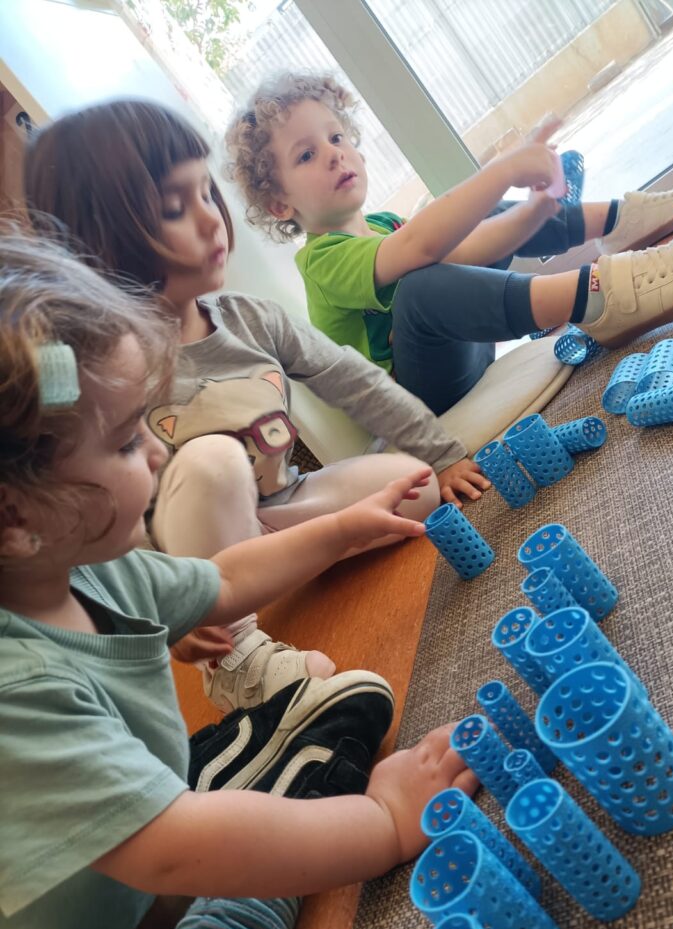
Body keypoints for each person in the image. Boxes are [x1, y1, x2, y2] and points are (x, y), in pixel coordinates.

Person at [0, 227, 477, 929]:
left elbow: (221, 581)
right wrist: (383, 821)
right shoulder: (16, 689)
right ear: (15, 519)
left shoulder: (82, 567)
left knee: (207, 845)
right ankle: (262, 805)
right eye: (125, 442)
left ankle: (235, 795)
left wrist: (340, 528)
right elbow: (173, 851)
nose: (157, 455)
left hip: (123, 880)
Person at [23, 98, 490, 715]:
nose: (211, 221)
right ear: (98, 245)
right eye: (174, 208)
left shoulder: (250, 318)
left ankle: (288, 567)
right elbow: (97, 511)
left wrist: (444, 454)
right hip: (193, 564)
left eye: (206, 193)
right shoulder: (106, 372)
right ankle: (238, 659)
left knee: (415, 485)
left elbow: (355, 381)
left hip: (280, 507)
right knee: (212, 461)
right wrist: (168, 606)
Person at [225, 71, 673, 415]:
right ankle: (598, 297)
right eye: (306, 155)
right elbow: (423, 249)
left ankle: (620, 220)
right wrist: (503, 170)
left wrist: (532, 212)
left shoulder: (382, 224)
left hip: (465, 352)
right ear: (279, 205)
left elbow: (467, 250)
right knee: (421, 283)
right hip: (423, 398)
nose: (334, 154)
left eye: (336, 137)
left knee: (472, 222)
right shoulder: (322, 261)